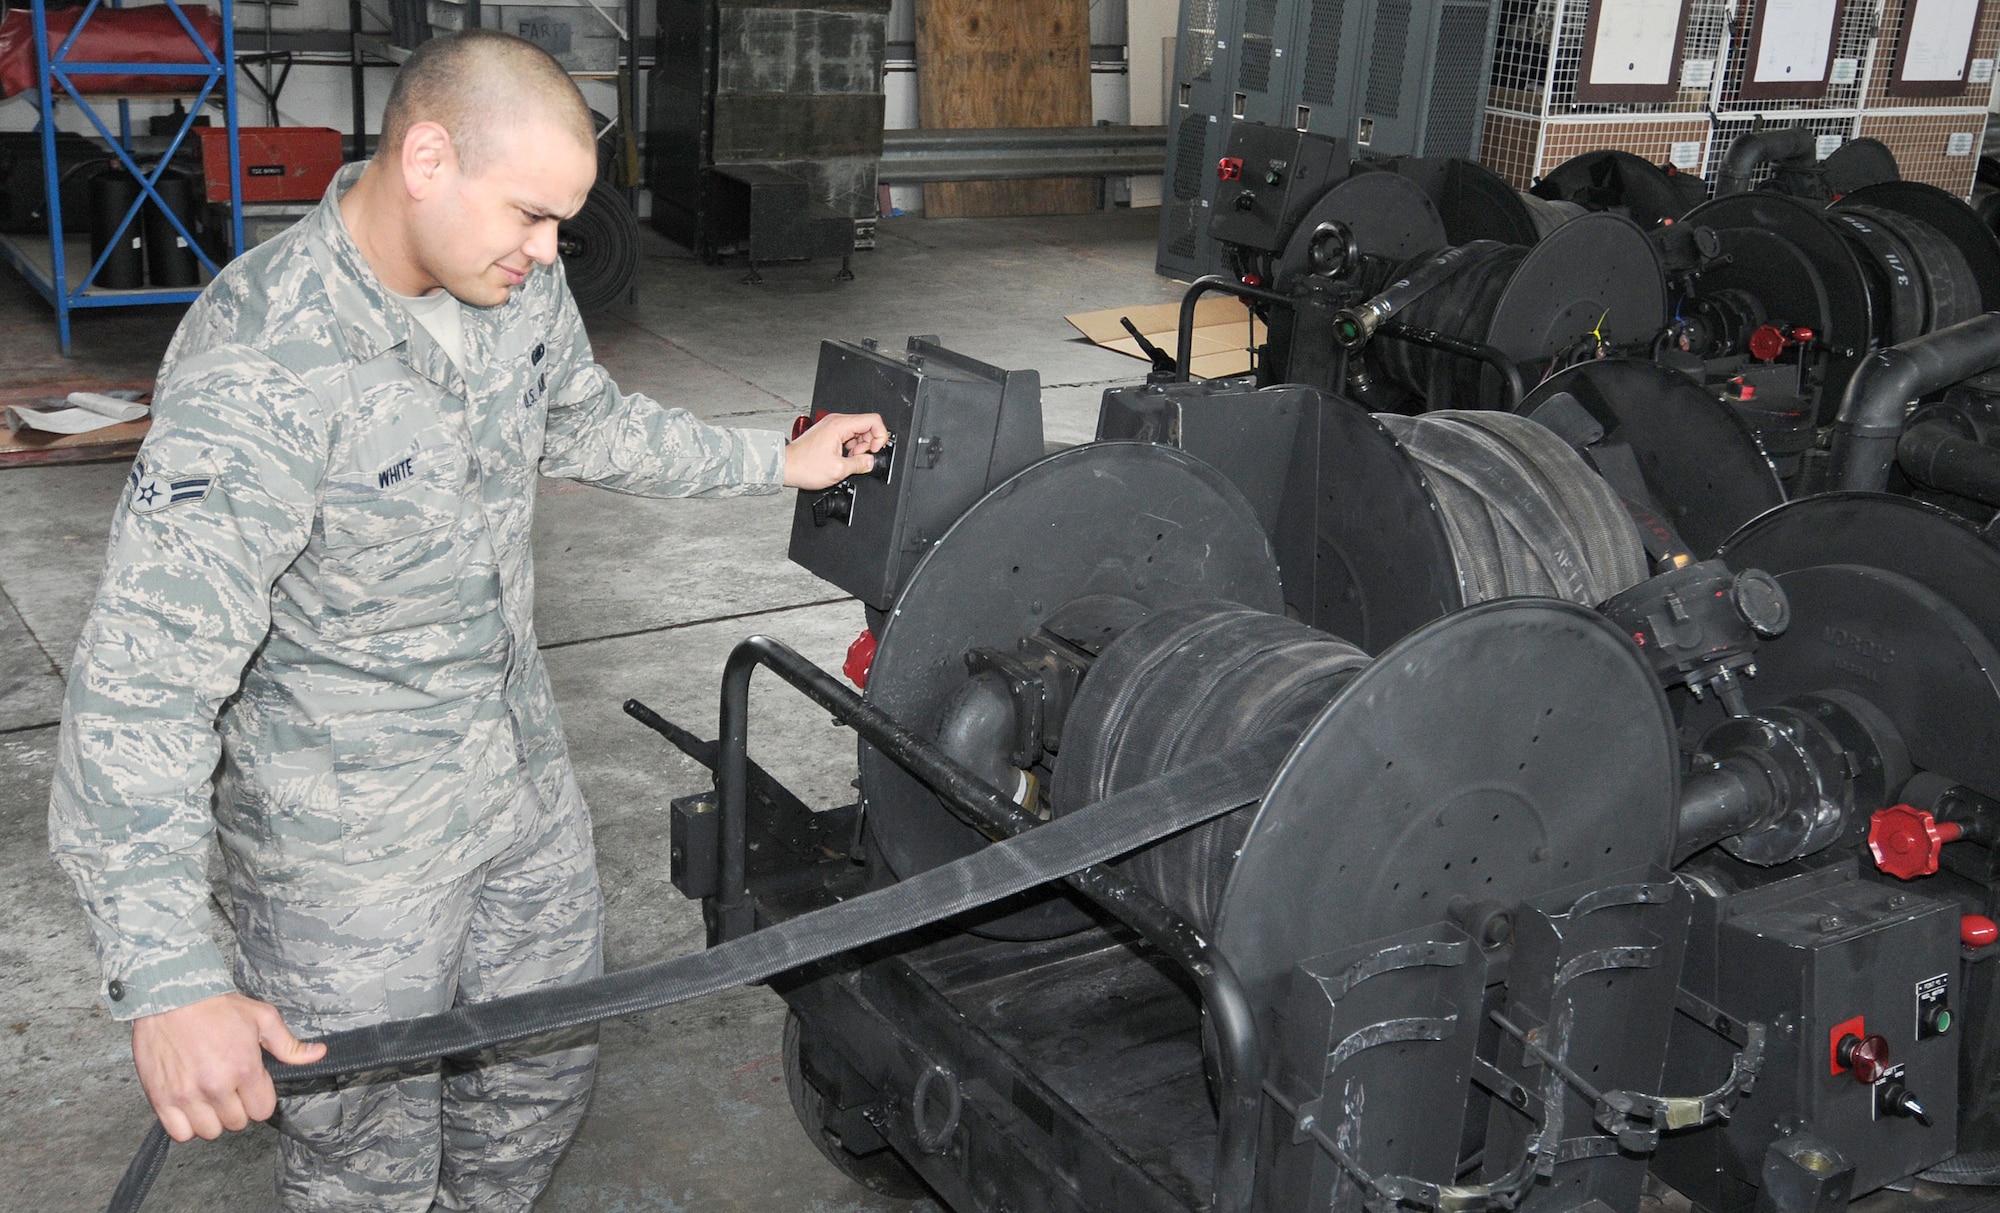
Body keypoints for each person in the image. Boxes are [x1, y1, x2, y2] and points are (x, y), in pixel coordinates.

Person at [48, 28, 885, 1211]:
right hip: (348, 851)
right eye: (532, 216)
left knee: (538, 1084)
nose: (547, 254)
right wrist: (171, 977)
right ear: (427, 159)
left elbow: (583, 419)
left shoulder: (509, 290)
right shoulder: (264, 363)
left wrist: (775, 460)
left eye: (561, 226)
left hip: (516, 783)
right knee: (365, 1161)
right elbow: (143, 685)